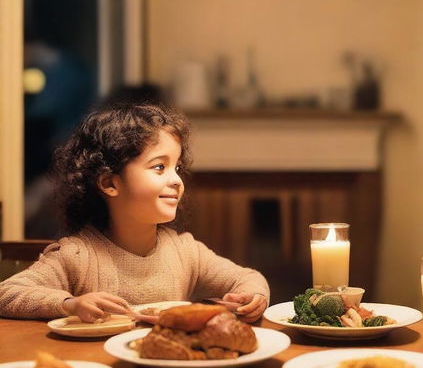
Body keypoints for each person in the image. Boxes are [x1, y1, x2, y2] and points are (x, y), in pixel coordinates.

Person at [0, 102, 269, 323]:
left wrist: (252, 296)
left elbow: (248, 278)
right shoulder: (78, 256)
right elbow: (8, 293)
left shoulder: (185, 251)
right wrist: (70, 304)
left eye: (176, 167)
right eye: (159, 167)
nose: (176, 180)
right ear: (110, 183)